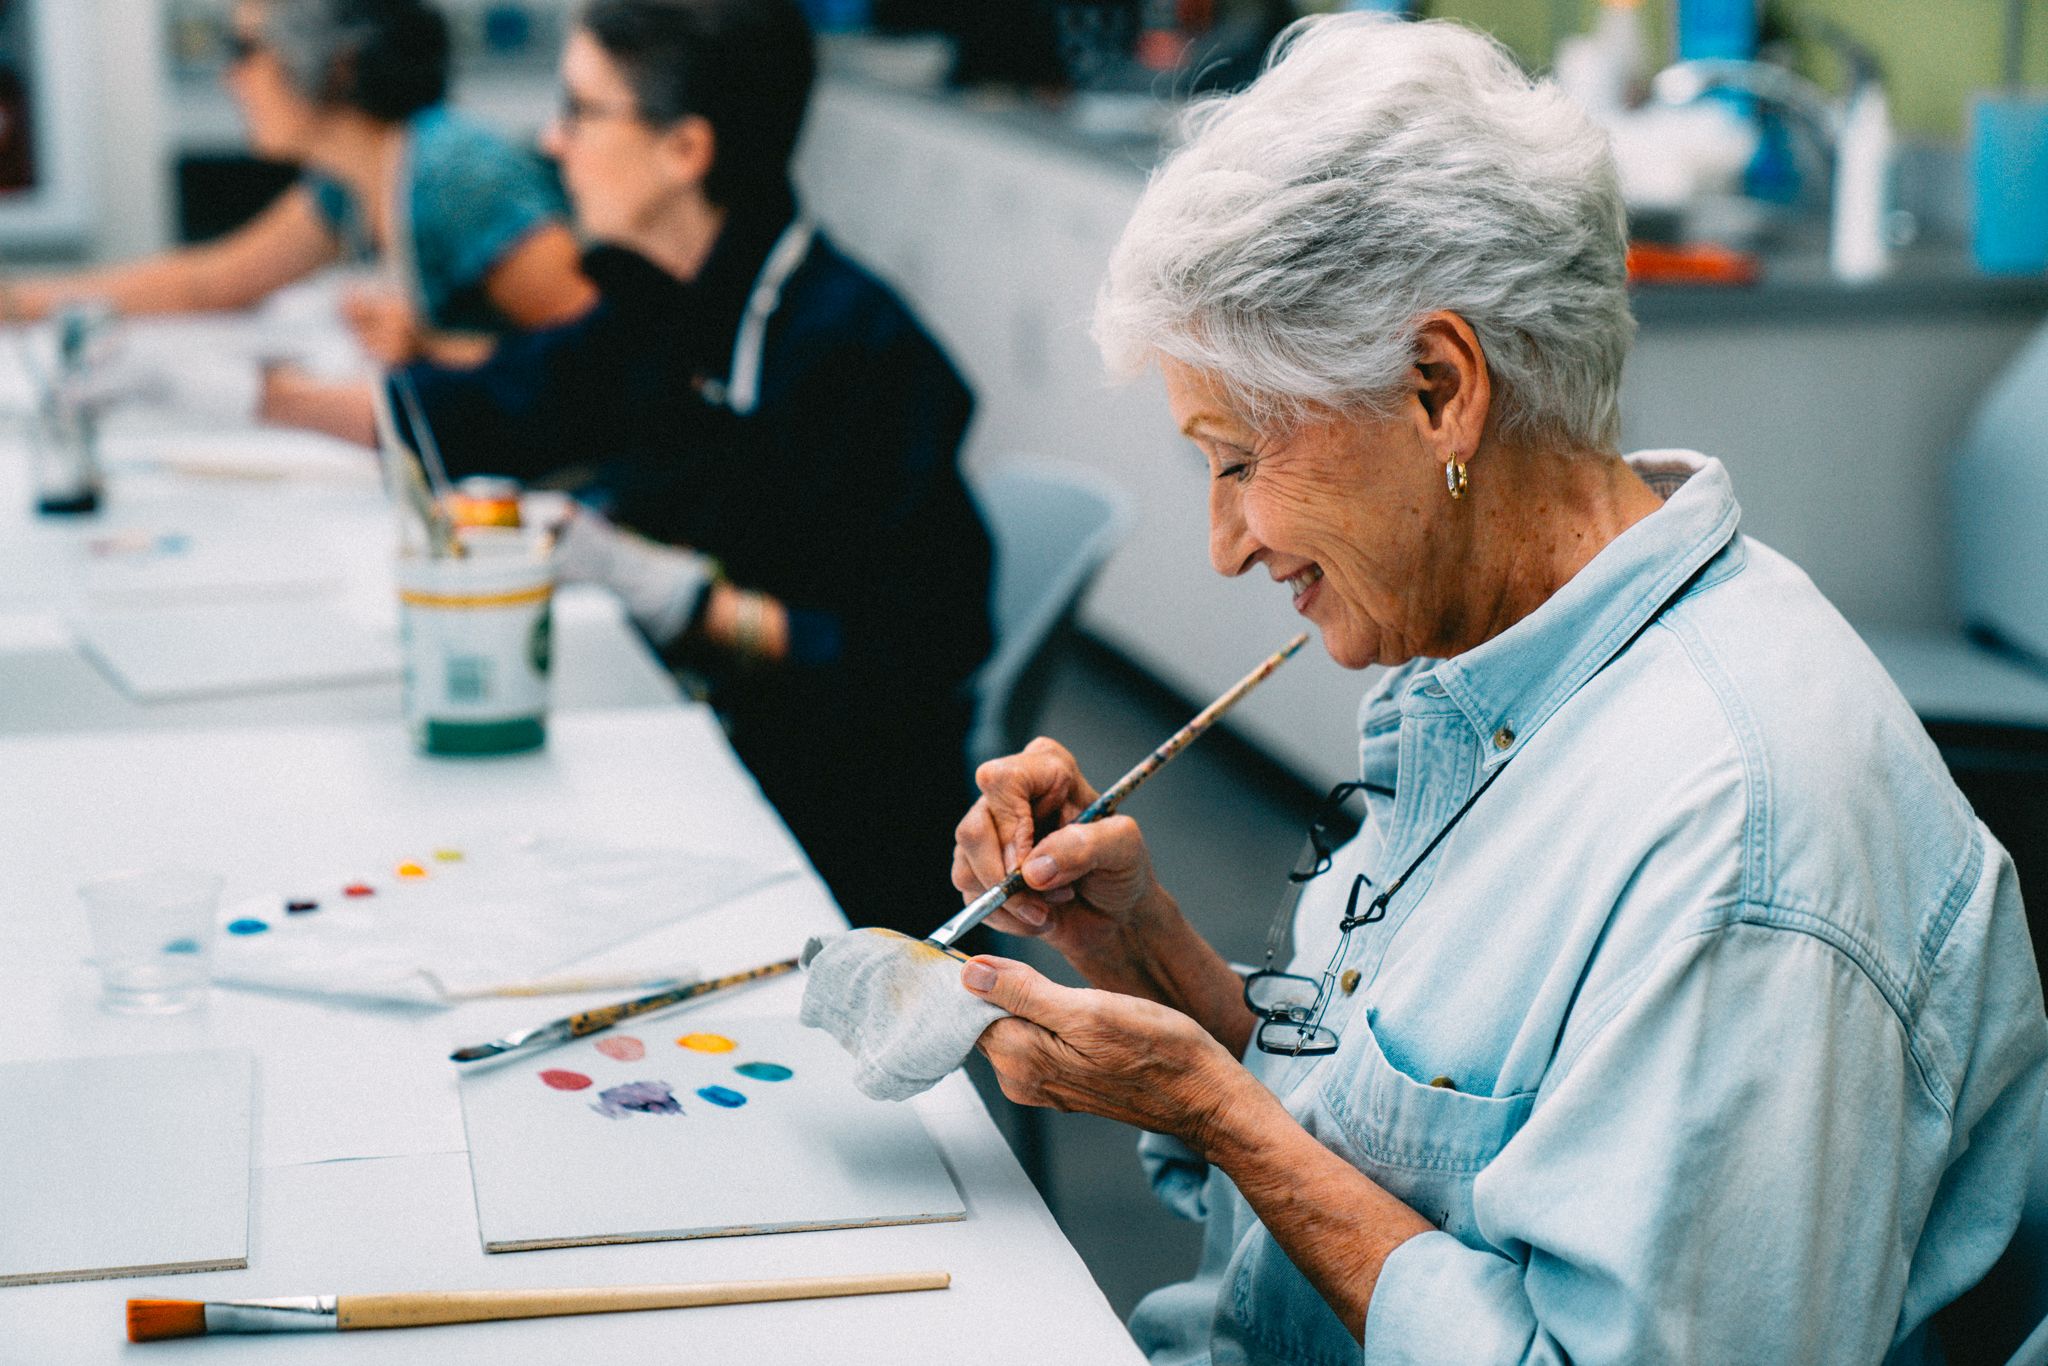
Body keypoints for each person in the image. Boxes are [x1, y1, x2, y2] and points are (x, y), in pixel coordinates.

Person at [946, 17, 2048, 1363]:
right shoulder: (1493, 682)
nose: (1226, 543)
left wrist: (1213, 1113)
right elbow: (1397, 1140)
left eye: (1238, 460)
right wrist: (1154, 964)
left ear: (1439, 388)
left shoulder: (1743, 838)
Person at [360, 0, 991, 933]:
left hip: (838, 838)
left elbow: (906, 663)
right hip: (702, 755)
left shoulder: (856, 353)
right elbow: (485, 411)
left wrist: (679, 595)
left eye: (581, 112)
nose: (552, 140)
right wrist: (240, 390)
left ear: (684, 150)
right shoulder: (663, 303)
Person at [6, 0, 593, 365]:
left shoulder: (455, 172)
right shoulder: (356, 178)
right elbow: (211, 282)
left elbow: (604, 364)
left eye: (246, 49)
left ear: (337, 64)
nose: (229, 75)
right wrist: (16, 301)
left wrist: (433, 351)